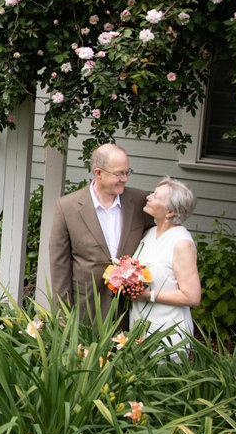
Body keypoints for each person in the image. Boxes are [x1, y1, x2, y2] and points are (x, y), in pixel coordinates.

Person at [48, 143, 154, 325]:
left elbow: (154, 242)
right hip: (86, 305)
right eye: (119, 174)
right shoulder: (67, 207)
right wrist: (62, 311)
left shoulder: (139, 202)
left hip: (129, 308)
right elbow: (60, 263)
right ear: (98, 173)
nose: (125, 179)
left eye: (127, 172)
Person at [131, 176, 201, 360]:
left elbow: (192, 297)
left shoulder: (181, 243)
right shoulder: (149, 233)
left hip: (168, 333)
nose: (148, 197)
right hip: (139, 326)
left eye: (155, 196)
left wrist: (148, 295)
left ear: (170, 211)